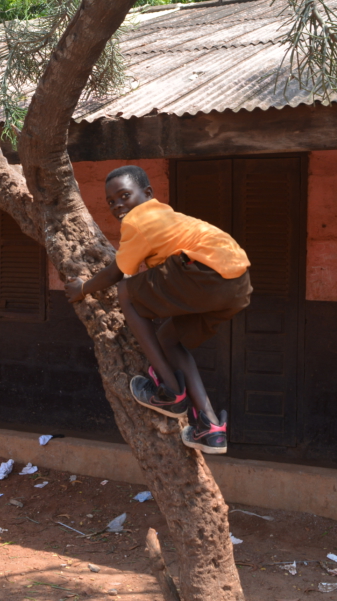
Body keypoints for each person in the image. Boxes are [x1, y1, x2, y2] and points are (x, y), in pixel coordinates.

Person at [64, 165, 252, 454]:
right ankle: (210, 428)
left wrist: (82, 289)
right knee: (169, 339)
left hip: (205, 274)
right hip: (237, 284)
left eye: (124, 195)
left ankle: (171, 392)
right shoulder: (168, 217)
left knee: (126, 290)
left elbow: (117, 273)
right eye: (111, 201)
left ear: (148, 193)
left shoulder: (139, 220)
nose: (118, 206)